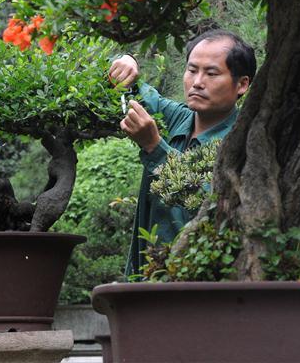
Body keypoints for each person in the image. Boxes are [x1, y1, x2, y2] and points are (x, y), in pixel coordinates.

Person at [109, 29, 256, 276]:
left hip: (198, 288)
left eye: (211, 73)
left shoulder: (244, 146)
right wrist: (126, 62)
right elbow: (130, 88)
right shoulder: (178, 119)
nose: (197, 82)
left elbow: (209, 212)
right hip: (146, 281)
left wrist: (155, 147)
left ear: (241, 84)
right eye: (192, 70)